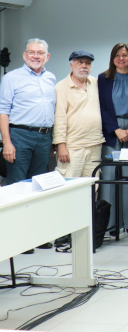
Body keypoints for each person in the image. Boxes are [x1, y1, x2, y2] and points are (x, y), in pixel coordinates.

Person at [0, 39, 57, 253]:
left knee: (38, 186)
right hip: (19, 135)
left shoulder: (51, 78)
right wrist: (7, 142)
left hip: (44, 138)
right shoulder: (11, 78)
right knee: (17, 187)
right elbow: (3, 111)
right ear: (24, 55)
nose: (35, 56)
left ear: (47, 57)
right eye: (31, 52)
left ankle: (36, 234)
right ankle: (18, 237)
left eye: (40, 53)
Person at [98, 43, 128, 235]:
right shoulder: (103, 78)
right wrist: (115, 129)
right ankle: (109, 225)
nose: (121, 58)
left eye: (125, 55)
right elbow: (101, 107)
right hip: (111, 131)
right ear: (112, 58)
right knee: (109, 178)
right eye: (117, 55)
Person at [53, 52, 104, 178]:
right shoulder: (61, 87)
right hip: (73, 146)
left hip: (95, 144)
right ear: (71, 65)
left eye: (87, 63)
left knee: (92, 187)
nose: (84, 66)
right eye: (80, 63)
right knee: (69, 186)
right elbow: (59, 118)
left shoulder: (95, 83)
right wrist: (61, 145)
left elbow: (113, 74)